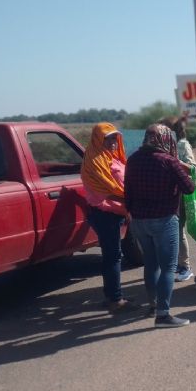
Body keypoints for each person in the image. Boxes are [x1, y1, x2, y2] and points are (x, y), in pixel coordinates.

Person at [125, 124, 195, 328]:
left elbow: (126, 193)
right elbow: (189, 188)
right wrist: (183, 168)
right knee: (168, 268)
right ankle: (163, 315)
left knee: (151, 263)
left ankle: (153, 304)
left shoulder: (132, 160)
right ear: (165, 139)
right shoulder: (168, 161)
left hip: (139, 221)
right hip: (164, 220)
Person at [82, 123, 136, 313]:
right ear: (98, 139)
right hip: (105, 214)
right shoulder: (96, 162)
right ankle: (115, 299)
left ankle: (112, 295)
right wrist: (131, 199)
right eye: (108, 138)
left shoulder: (111, 157)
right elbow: (106, 193)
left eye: (115, 137)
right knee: (113, 256)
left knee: (112, 255)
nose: (113, 142)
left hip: (116, 212)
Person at [161, 115, 196, 282]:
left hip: (179, 194)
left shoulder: (182, 145)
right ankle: (174, 264)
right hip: (164, 193)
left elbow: (193, 168)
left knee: (178, 230)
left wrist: (174, 161)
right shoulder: (161, 146)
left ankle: (185, 266)